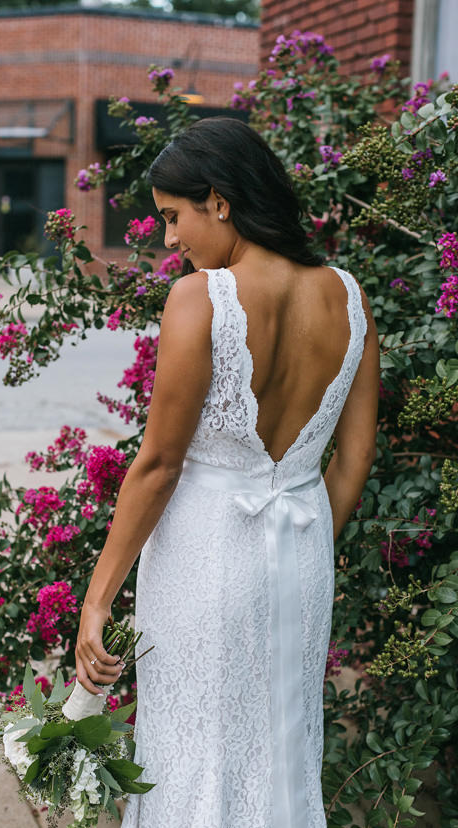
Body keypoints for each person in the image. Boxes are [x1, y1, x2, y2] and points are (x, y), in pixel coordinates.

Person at [72, 117, 379, 827]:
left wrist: (97, 600)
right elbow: (355, 458)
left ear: (220, 200)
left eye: (173, 217)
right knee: (281, 748)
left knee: (193, 750)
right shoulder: (350, 297)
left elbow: (157, 465)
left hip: (203, 561)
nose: (170, 240)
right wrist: (301, 544)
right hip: (303, 557)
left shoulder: (201, 299)